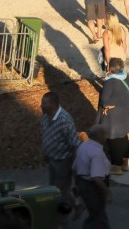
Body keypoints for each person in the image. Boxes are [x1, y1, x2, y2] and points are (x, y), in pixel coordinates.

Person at [40, 92, 82, 222]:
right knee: (53, 188)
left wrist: (75, 166)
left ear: (53, 104)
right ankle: (77, 205)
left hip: (64, 161)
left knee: (60, 192)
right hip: (52, 158)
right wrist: (46, 153)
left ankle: (60, 221)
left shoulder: (65, 120)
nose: (41, 105)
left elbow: (75, 144)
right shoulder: (45, 116)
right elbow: (45, 135)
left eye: (44, 103)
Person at [97, 57, 129, 175]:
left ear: (110, 68)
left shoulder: (110, 82)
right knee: (123, 136)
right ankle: (125, 163)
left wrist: (107, 106)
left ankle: (117, 167)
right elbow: (128, 91)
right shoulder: (127, 77)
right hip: (125, 110)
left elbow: (104, 99)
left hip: (113, 115)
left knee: (114, 140)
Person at [73, 125, 111, 228]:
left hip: (84, 184)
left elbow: (75, 168)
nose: (106, 136)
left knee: (98, 214)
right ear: (99, 136)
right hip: (94, 188)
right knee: (97, 216)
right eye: (104, 134)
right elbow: (96, 178)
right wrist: (107, 192)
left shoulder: (83, 146)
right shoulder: (96, 153)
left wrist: (77, 184)